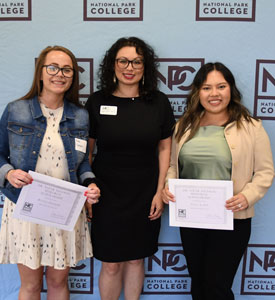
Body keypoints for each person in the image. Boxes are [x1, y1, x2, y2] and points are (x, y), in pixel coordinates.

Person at [0, 45, 100, 300]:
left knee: (58, 282)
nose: (59, 74)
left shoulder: (80, 116)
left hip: (65, 208)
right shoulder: (16, 110)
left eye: (66, 70)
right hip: (25, 207)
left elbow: (82, 163)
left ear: (73, 76)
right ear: (40, 72)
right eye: (53, 67)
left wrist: (90, 184)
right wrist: (8, 173)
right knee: (30, 285)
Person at [162, 62, 275, 300]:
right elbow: (173, 166)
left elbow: (265, 172)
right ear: (197, 93)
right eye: (206, 88)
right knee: (199, 283)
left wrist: (247, 196)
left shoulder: (251, 127)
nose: (214, 94)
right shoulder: (183, 126)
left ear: (231, 89)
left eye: (221, 86)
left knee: (217, 287)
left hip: (232, 219)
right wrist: (168, 187)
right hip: (192, 219)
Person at [85, 37, 175, 300]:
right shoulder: (96, 102)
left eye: (137, 61)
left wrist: (160, 191)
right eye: (123, 60)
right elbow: (87, 154)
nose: (130, 67)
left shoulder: (158, 102)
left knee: (136, 260)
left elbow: (164, 150)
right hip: (106, 193)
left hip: (145, 192)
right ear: (112, 65)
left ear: (145, 67)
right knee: (111, 264)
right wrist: (86, 194)